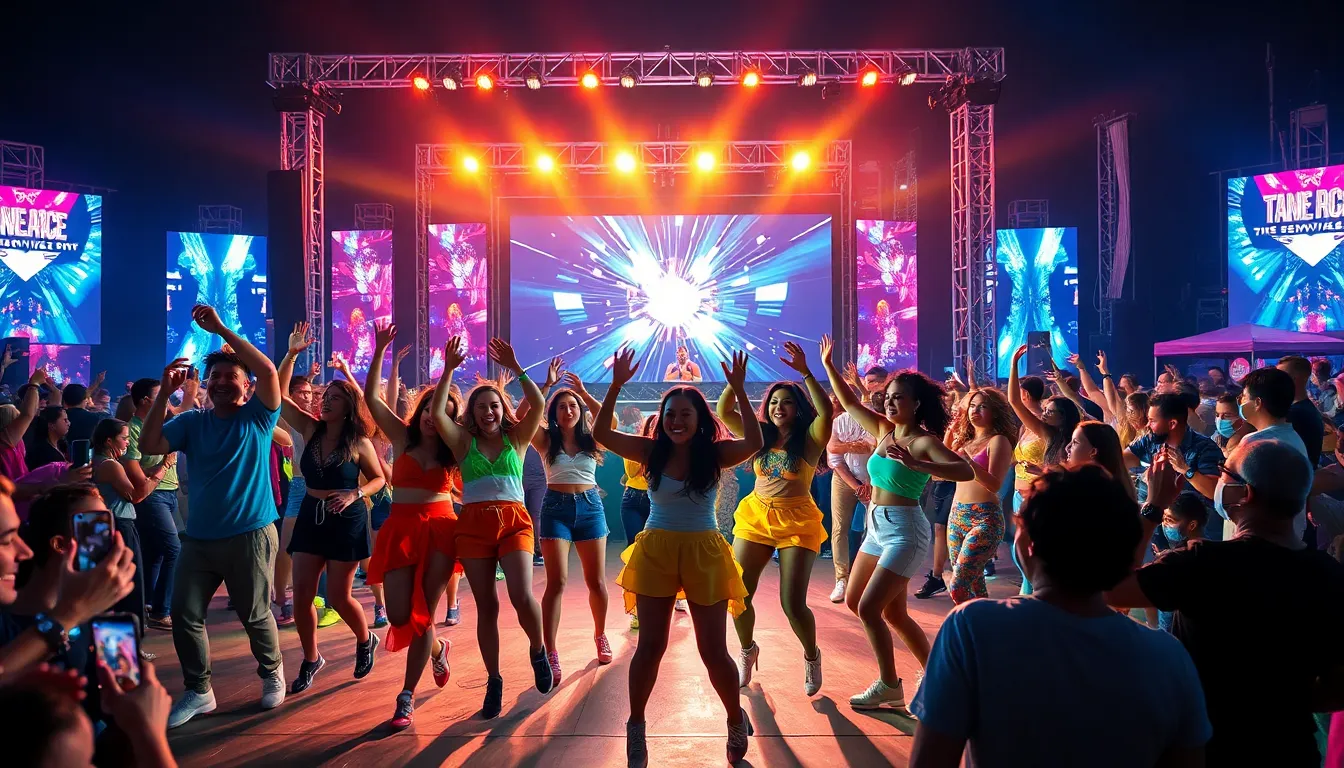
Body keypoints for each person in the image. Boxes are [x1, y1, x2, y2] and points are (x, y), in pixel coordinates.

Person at [909, 465, 1211, 768]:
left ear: (1026, 544)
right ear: (1123, 554)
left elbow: (931, 758)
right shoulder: (1168, 656)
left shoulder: (972, 628)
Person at [1107, 439, 1344, 766]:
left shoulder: (1203, 564)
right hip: (1289, 749)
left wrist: (1154, 506)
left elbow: (1111, 589)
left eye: (1224, 472)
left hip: (1203, 749)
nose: (1218, 480)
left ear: (1243, 494)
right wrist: (1279, 700)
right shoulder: (1330, 576)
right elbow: (1338, 687)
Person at [594, 347, 761, 767]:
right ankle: (636, 725)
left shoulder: (717, 453)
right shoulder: (651, 452)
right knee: (649, 646)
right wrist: (614, 386)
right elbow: (602, 435)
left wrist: (739, 390)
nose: (676, 421)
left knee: (713, 651)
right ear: (661, 418)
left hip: (704, 549)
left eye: (685, 414)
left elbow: (756, 442)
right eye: (670, 414)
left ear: (699, 419)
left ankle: (733, 717)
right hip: (657, 550)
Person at [137, 304, 287, 728]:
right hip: (200, 540)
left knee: (254, 615)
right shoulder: (192, 422)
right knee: (185, 614)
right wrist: (165, 394)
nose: (222, 383)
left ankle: (272, 672)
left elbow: (271, 373)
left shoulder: (259, 417)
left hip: (250, 535)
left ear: (246, 385)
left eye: (231, 377)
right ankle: (198, 691)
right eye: (216, 377)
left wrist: (221, 328)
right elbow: (149, 444)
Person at [819, 336, 973, 710]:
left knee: (873, 610)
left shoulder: (923, 441)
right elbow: (852, 403)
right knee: (872, 607)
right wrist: (826, 366)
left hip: (905, 531)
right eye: (888, 396)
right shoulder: (883, 430)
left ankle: (890, 684)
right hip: (876, 528)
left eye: (898, 397)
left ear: (916, 404)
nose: (889, 401)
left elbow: (964, 469)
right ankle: (940, 676)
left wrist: (921, 465)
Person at [431, 336, 553, 719]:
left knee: (521, 595)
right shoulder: (462, 442)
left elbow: (538, 403)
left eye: (495, 405)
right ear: (473, 412)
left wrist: (517, 368)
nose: (488, 411)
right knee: (487, 606)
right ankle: (494, 680)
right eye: (481, 406)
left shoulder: (517, 439)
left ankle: (538, 649)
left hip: (514, 521)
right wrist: (449, 369)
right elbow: (437, 414)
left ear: (503, 410)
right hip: (473, 526)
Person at [717, 341, 833, 696]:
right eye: (774, 402)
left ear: (798, 409)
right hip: (757, 517)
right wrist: (735, 384)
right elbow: (724, 411)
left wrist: (807, 372)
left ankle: (812, 655)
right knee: (738, 595)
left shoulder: (811, 439)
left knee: (792, 603)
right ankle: (748, 650)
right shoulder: (761, 436)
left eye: (786, 402)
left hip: (797, 521)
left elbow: (826, 413)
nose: (779, 407)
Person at [362, 322, 463, 729]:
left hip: (440, 530)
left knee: (425, 610)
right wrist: (379, 350)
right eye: (429, 410)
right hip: (401, 528)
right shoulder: (402, 439)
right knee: (403, 613)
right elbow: (370, 397)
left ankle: (406, 696)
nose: (431, 418)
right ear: (421, 409)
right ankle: (438, 650)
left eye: (442, 416)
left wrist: (450, 374)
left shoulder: (452, 450)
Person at [279, 370, 386, 694]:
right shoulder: (310, 429)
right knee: (302, 597)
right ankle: (311, 659)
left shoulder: (359, 442)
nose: (325, 402)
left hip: (347, 519)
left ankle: (366, 639)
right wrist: (292, 355)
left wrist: (356, 493)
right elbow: (280, 399)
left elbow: (378, 479)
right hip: (312, 515)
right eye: (325, 397)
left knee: (339, 596)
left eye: (334, 398)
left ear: (348, 406)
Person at [517, 362, 614, 684]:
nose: (568, 411)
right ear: (553, 413)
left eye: (573, 406)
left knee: (596, 583)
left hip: (590, 508)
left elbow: (610, 419)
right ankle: (551, 651)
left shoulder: (593, 440)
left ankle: (600, 635)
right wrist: (544, 387)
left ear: (580, 410)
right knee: (556, 583)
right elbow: (520, 417)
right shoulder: (545, 441)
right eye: (562, 407)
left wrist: (584, 392)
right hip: (555, 508)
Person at [1007, 344, 1082, 593]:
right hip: (1034, 496)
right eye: (1045, 410)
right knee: (1025, 552)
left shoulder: (1076, 439)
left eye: (1050, 412)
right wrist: (1013, 365)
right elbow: (1015, 402)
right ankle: (1031, 595)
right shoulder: (1047, 434)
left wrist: (1047, 473)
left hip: (1059, 503)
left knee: (1041, 553)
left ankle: (1039, 598)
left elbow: (1076, 473)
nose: (1044, 415)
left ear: (1063, 417)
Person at [91, 418, 170, 649]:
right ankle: (129, 650)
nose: (127, 442)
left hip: (107, 524)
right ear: (109, 440)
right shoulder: (110, 465)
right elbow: (137, 495)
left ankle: (119, 649)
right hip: (120, 526)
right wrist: (163, 468)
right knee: (128, 587)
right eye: (124, 438)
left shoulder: (97, 461)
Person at [125, 377, 189, 633]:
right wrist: (163, 465)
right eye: (160, 395)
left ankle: (149, 605)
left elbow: (184, 412)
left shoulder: (159, 424)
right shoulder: (133, 429)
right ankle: (162, 611)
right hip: (152, 496)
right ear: (145, 401)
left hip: (168, 492)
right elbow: (133, 471)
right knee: (175, 549)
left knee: (156, 553)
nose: (166, 400)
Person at [940, 388, 1015, 604]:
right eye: (972, 406)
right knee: (975, 584)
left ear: (996, 412)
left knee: (958, 585)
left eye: (983, 406)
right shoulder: (964, 441)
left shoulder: (998, 441)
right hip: (957, 517)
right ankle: (983, 631)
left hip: (984, 518)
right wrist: (951, 431)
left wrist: (969, 463)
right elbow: (943, 463)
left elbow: (994, 484)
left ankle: (973, 629)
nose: (976, 411)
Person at [1123, 393, 1223, 532]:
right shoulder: (1152, 439)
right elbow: (1125, 458)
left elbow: (1214, 492)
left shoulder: (1204, 448)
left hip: (1192, 530)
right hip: (1157, 524)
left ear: (1172, 424)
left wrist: (1185, 469)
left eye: (1152, 421)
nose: (1147, 425)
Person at [828, 365, 885, 602]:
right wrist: (855, 485)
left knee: (876, 529)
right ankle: (842, 578)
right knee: (840, 528)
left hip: (876, 480)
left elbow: (878, 451)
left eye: (874, 383)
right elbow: (833, 454)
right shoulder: (840, 421)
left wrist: (870, 483)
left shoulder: (880, 418)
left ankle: (870, 579)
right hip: (844, 478)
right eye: (866, 383)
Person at [1065, 421, 1135, 500]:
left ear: (1093, 452)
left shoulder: (1089, 491)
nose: (1067, 448)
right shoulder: (1119, 487)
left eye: (1075, 442)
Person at [1278, 356, 1326, 466]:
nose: (1277, 381)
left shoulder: (1297, 413)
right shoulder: (1303, 408)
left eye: (1282, 377)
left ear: (1300, 378)